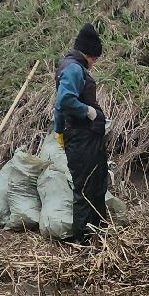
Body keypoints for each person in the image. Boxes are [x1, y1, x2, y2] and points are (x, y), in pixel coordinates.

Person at [54, 23, 109, 242]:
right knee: (87, 187)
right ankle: (84, 239)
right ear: (89, 53)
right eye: (94, 58)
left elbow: (58, 107)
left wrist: (59, 129)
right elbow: (65, 100)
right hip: (82, 137)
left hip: (80, 137)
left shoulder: (66, 65)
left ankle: (96, 231)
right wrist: (87, 111)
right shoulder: (75, 68)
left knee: (94, 182)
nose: (94, 64)